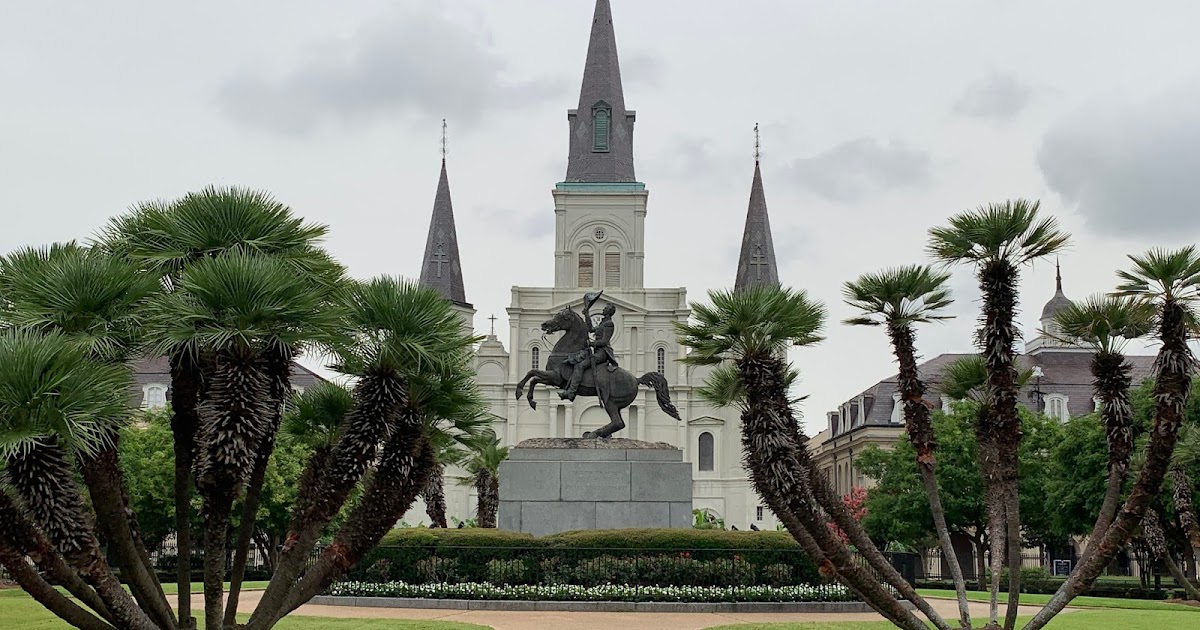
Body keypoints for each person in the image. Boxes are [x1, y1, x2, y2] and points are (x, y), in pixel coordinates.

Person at [560, 299, 618, 401]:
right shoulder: (603, 323)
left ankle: (571, 392)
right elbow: (590, 329)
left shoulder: (609, 324)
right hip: (597, 351)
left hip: (603, 352)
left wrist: (591, 343)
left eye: (606, 308)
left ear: (609, 311)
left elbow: (604, 341)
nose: (603, 309)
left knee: (580, 365)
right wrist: (587, 314)